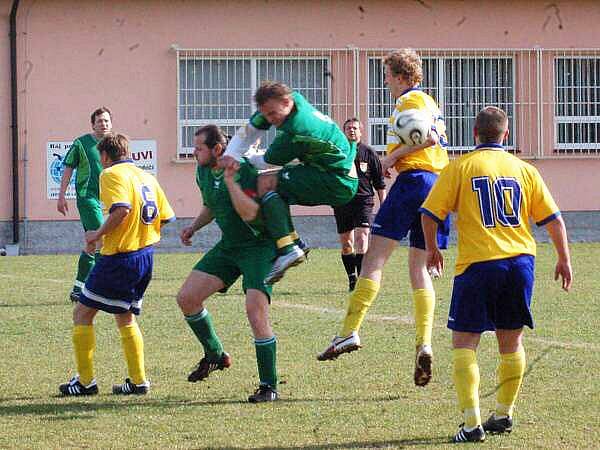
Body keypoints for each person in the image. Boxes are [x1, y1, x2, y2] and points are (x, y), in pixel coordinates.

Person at [420, 106, 572, 443]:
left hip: (478, 264)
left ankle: (472, 424)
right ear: (506, 135)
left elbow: (429, 214)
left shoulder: (460, 167)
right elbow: (554, 220)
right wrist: (564, 258)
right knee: (511, 340)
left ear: (475, 134)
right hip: (520, 264)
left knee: (464, 342)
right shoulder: (524, 169)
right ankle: (503, 413)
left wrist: (432, 248)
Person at [317, 49, 450, 389]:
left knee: (374, 259)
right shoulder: (429, 101)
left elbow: (428, 139)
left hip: (415, 181)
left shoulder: (409, 101)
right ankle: (424, 343)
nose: (386, 80)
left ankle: (348, 332)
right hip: (439, 185)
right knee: (419, 269)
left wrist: (390, 160)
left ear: (403, 76)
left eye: (389, 74)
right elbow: (435, 138)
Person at [59, 133, 175, 397]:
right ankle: (138, 381)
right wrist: (140, 233)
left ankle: (86, 382)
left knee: (82, 314)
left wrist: (96, 235)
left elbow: (121, 209)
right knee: (125, 316)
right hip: (145, 256)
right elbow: (165, 217)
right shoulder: (147, 177)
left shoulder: (111, 175)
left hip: (119, 258)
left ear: (104, 156)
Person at [176, 125, 280, 403]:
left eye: (199, 148)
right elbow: (211, 205)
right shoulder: (202, 172)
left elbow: (254, 211)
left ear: (218, 150)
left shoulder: (241, 169)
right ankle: (215, 355)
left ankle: (269, 385)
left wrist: (233, 181)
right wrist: (194, 227)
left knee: (255, 312)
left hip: (259, 247)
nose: (193, 152)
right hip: (230, 246)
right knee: (187, 298)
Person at [221, 81, 359, 285]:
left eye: (272, 114)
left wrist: (240, 159)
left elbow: (265, 161)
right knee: (273, 185)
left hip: (338, 180)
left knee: (266, 182)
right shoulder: (289, 100)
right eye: (266, 114)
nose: (270, 120)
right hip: (328, 170)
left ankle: (287, 249)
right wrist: (231, 153)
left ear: (286, 102)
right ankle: (294, 243)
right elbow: (251, 128)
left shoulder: (297, 130)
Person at [57, 107, 113, 302]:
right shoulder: (81, 143)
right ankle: (102, 288)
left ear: (111, 123)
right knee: (101, 238)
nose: (103, 124)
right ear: (93, 124)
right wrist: (61, 195)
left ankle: (78, 288)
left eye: (106, 121)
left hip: (108, 199)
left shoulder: (114, 144)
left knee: (91, 242)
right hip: (88, 198)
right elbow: (68, 168)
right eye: (99, 121)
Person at [333, 118, 386, 292]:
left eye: (355, 128)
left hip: (364, 200)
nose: (352, 131)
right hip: (342, 201)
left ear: (361, 132)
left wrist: (383, 204)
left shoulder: (369, 152)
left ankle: (361, 281)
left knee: (362, 238)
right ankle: (352, 278)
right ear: (344, 132)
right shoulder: (337, 152)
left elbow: (379, 182)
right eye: (348, 128)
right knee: (347, 244)